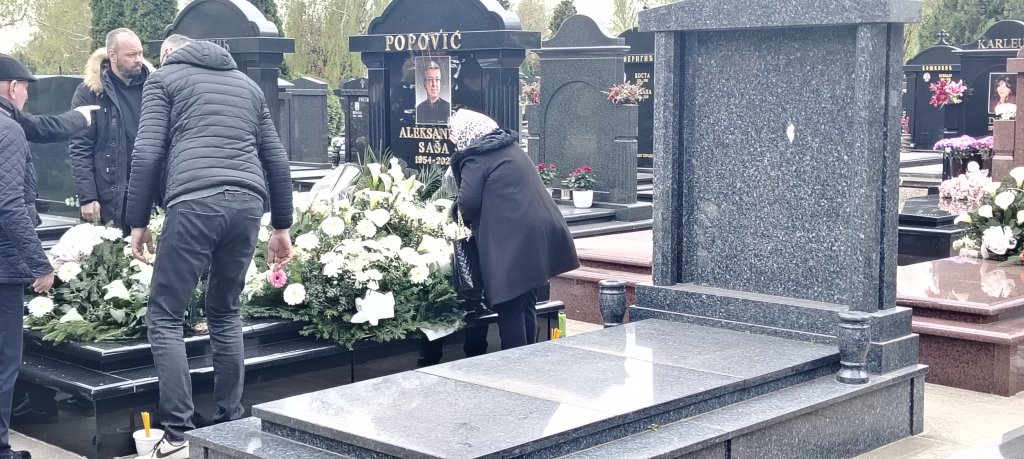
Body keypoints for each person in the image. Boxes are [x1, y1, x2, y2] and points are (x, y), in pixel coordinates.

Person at [124, 34, 293, 459]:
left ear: (169, 53)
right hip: (247, 204)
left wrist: (138, 221)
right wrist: (282, 226)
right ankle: (231, 422)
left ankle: (178, 434)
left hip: (194, 201)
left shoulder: (164, 79)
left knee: (165, 316)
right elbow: (276, 158)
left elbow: (146, 153)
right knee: (225, 311)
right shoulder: (247, 85)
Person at [448, 109, 579, 349]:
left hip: (514, 242)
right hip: (537, 234)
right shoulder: (509, 147)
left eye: (455, 134)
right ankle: (529, 357)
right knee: (525, 302)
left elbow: (468, 204)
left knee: (509, 306)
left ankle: (515, 362)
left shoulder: (476, 157)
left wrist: (452, 215)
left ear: (468, 132)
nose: (453, 139)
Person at [0, 54, 56, 459]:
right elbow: (10, 205)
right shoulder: (8, 129)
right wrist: (39, 263)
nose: (26, 96)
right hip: (3, 265)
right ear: (10, 87)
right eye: (25, 88)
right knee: (5, 361)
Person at [69, 28, 154, 229]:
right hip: (109, 193)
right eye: (131, 55)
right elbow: (80, 146)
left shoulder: (154, 87)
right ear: (112, 56)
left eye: (140, 53)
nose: (138, 59)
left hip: (149, 191)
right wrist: (87, 196)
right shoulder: (91, 92)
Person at [415, 61, 451, 125]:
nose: (434, 84)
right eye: (430, 79)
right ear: (424, 84)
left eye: (437, 79)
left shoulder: (449, 108)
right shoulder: (418, 109)